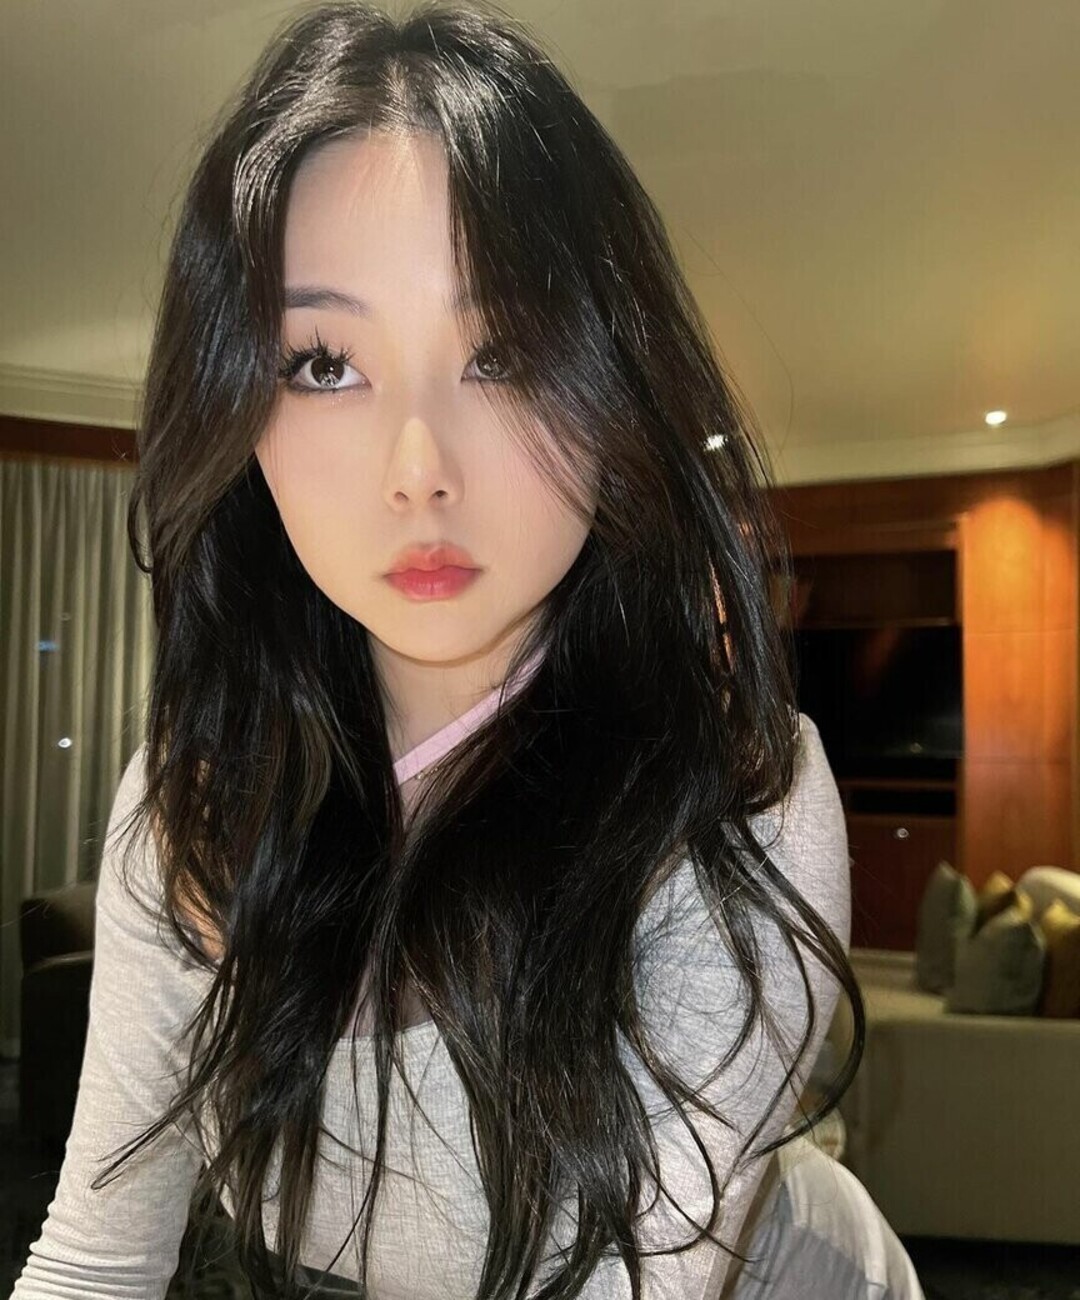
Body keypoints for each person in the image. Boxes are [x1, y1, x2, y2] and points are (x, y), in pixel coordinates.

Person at [11, 3, 914, 1296]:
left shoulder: (731, 799)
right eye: (323, 363)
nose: (417, 468)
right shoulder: (197, 801)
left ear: (613, 388)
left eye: (502, 353)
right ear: (238, 411)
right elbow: (95, 1255)